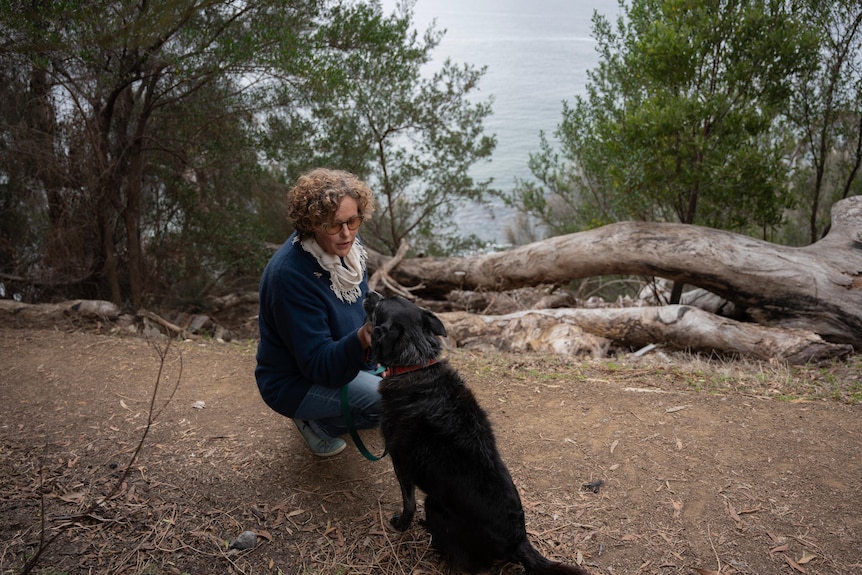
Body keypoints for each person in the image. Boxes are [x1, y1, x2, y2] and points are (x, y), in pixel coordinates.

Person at [255, 168, 380, 457]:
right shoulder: (290, 275)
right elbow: (317, 365)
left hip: (342, 359)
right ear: (312, 223)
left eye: (353, 221)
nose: (347, 233)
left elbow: (361, 310)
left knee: (409, 384)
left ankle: (350, 400)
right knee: (388, 402)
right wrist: (363, 340)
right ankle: (316, 424)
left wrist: (376, 357)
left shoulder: (348, 250)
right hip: (296, 381)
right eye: (335, 225)